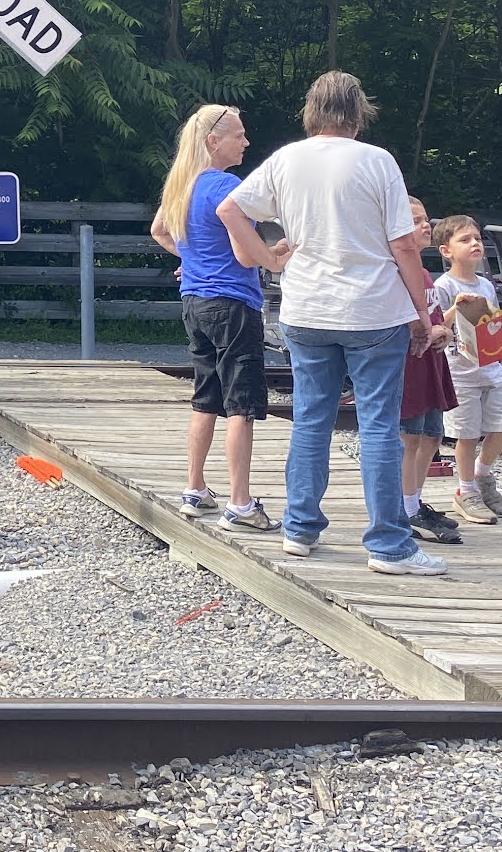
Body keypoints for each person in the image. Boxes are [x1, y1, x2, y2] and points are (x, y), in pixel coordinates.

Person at [218, 71, 446, 577]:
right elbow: (404, 244)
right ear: (358, 110)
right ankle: (389, 545)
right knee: (380, 426)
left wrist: (267, 261)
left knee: (311, 419)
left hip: (306, 310)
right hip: (372, 312)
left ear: (312, 109)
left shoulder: (285, 159)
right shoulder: (376, 161)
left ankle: (299, 529)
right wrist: (419, 313)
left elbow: (230, 209)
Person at [149, 104, 288, 532]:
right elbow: (248, 255)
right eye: (239, 135)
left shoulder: (182, 186)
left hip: (195, 302)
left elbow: (159, 231)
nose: (246, 142)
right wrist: (278, 257)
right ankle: (241, 504)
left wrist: (193, 260)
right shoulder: (227, 186)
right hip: (233, 305)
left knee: (206, 396)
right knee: (241, 406)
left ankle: (194, 489)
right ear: (214, 141)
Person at [430, 214, 502, 525]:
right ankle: (465, 491)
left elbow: (493, 327)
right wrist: (455, 306)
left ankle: (482, 474)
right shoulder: (444, 285)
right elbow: (437, 325)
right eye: (465, 239)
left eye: (477, 238)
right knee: (466, 434)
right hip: (459, 371)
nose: (475, 243)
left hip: (490, 367)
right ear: (446, 251)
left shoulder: (486, 285)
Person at [398, 197, 460, 544]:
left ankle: (413, 499)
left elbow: (435, 316)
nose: (426, 225)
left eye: (426, 219)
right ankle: (405, 510)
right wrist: (428, 331)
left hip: (431, 361)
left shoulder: (423, 272)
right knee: (410, 438)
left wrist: (444, 331)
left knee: (432, 436)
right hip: (410, 363)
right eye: (416, 220)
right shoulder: (398, 269)